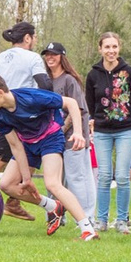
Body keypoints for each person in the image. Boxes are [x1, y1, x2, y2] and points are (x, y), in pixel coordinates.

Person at [0, 70, 96, 240]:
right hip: (28, 144)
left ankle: (88, 229)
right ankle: (53, 206)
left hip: (50, 138)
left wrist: (77, 132)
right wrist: (26, 179)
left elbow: (71, 103)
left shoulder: (32, 97)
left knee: (53, 184)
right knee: (7, 184)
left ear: (0, 93)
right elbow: (16, 146)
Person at [85, 32, 131, 232]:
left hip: (126, 130)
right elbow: (90, 102)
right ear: (100, 49)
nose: (111, 51)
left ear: (119, 48)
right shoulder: (93, 75)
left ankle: (122, 220)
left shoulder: (129, 72)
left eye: (114, 47)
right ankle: (101, 220)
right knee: (105, 176)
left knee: (123, 176)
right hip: (102, 131)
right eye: (107, 47)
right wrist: (94, 120)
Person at [43, 43, 94, 216]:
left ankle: (87, 218)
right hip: (52, 138)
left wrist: (60, 129)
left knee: (76, 179)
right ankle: (56, 215)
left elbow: (77, 110)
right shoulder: (46, 81)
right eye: (47, 54)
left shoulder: (69, 80)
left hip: (72, 138)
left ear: (61, 57)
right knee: (54, 180)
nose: (50, 57)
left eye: (54, 54)